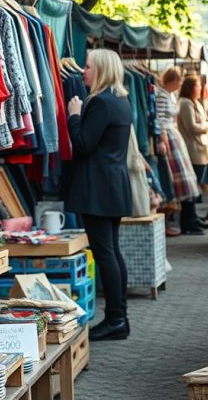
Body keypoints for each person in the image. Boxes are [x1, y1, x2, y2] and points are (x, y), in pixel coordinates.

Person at [66, 49, 133, 341]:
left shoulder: (101, 104)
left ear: (102, 70)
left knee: (106, 252)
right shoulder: (121, 100)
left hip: (98, 188)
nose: (83, 71)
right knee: (112, 252)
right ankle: (119, 317)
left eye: (89, 66)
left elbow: (83, 144)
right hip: (112, 185)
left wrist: (74, 116)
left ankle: (116, 319)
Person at [156, 67, 202, 234]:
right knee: (178, 177)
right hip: (168, 136)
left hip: (173, 135)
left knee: (184, 177)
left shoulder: (170, 95)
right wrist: (163, 139)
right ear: (173, 81)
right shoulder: (161, 95)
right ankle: (186, 220)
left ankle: (190, 218)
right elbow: (160, 119)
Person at [177, 75, 208, 234]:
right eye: (198, 86)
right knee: (193, 188)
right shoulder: (186, 104)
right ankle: (189, 221)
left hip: (199, 150)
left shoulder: (192, 103)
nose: (200, 89)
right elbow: (193, 127)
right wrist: (207, 125)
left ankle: (193, 219)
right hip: (194, 151)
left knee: (195, 187)